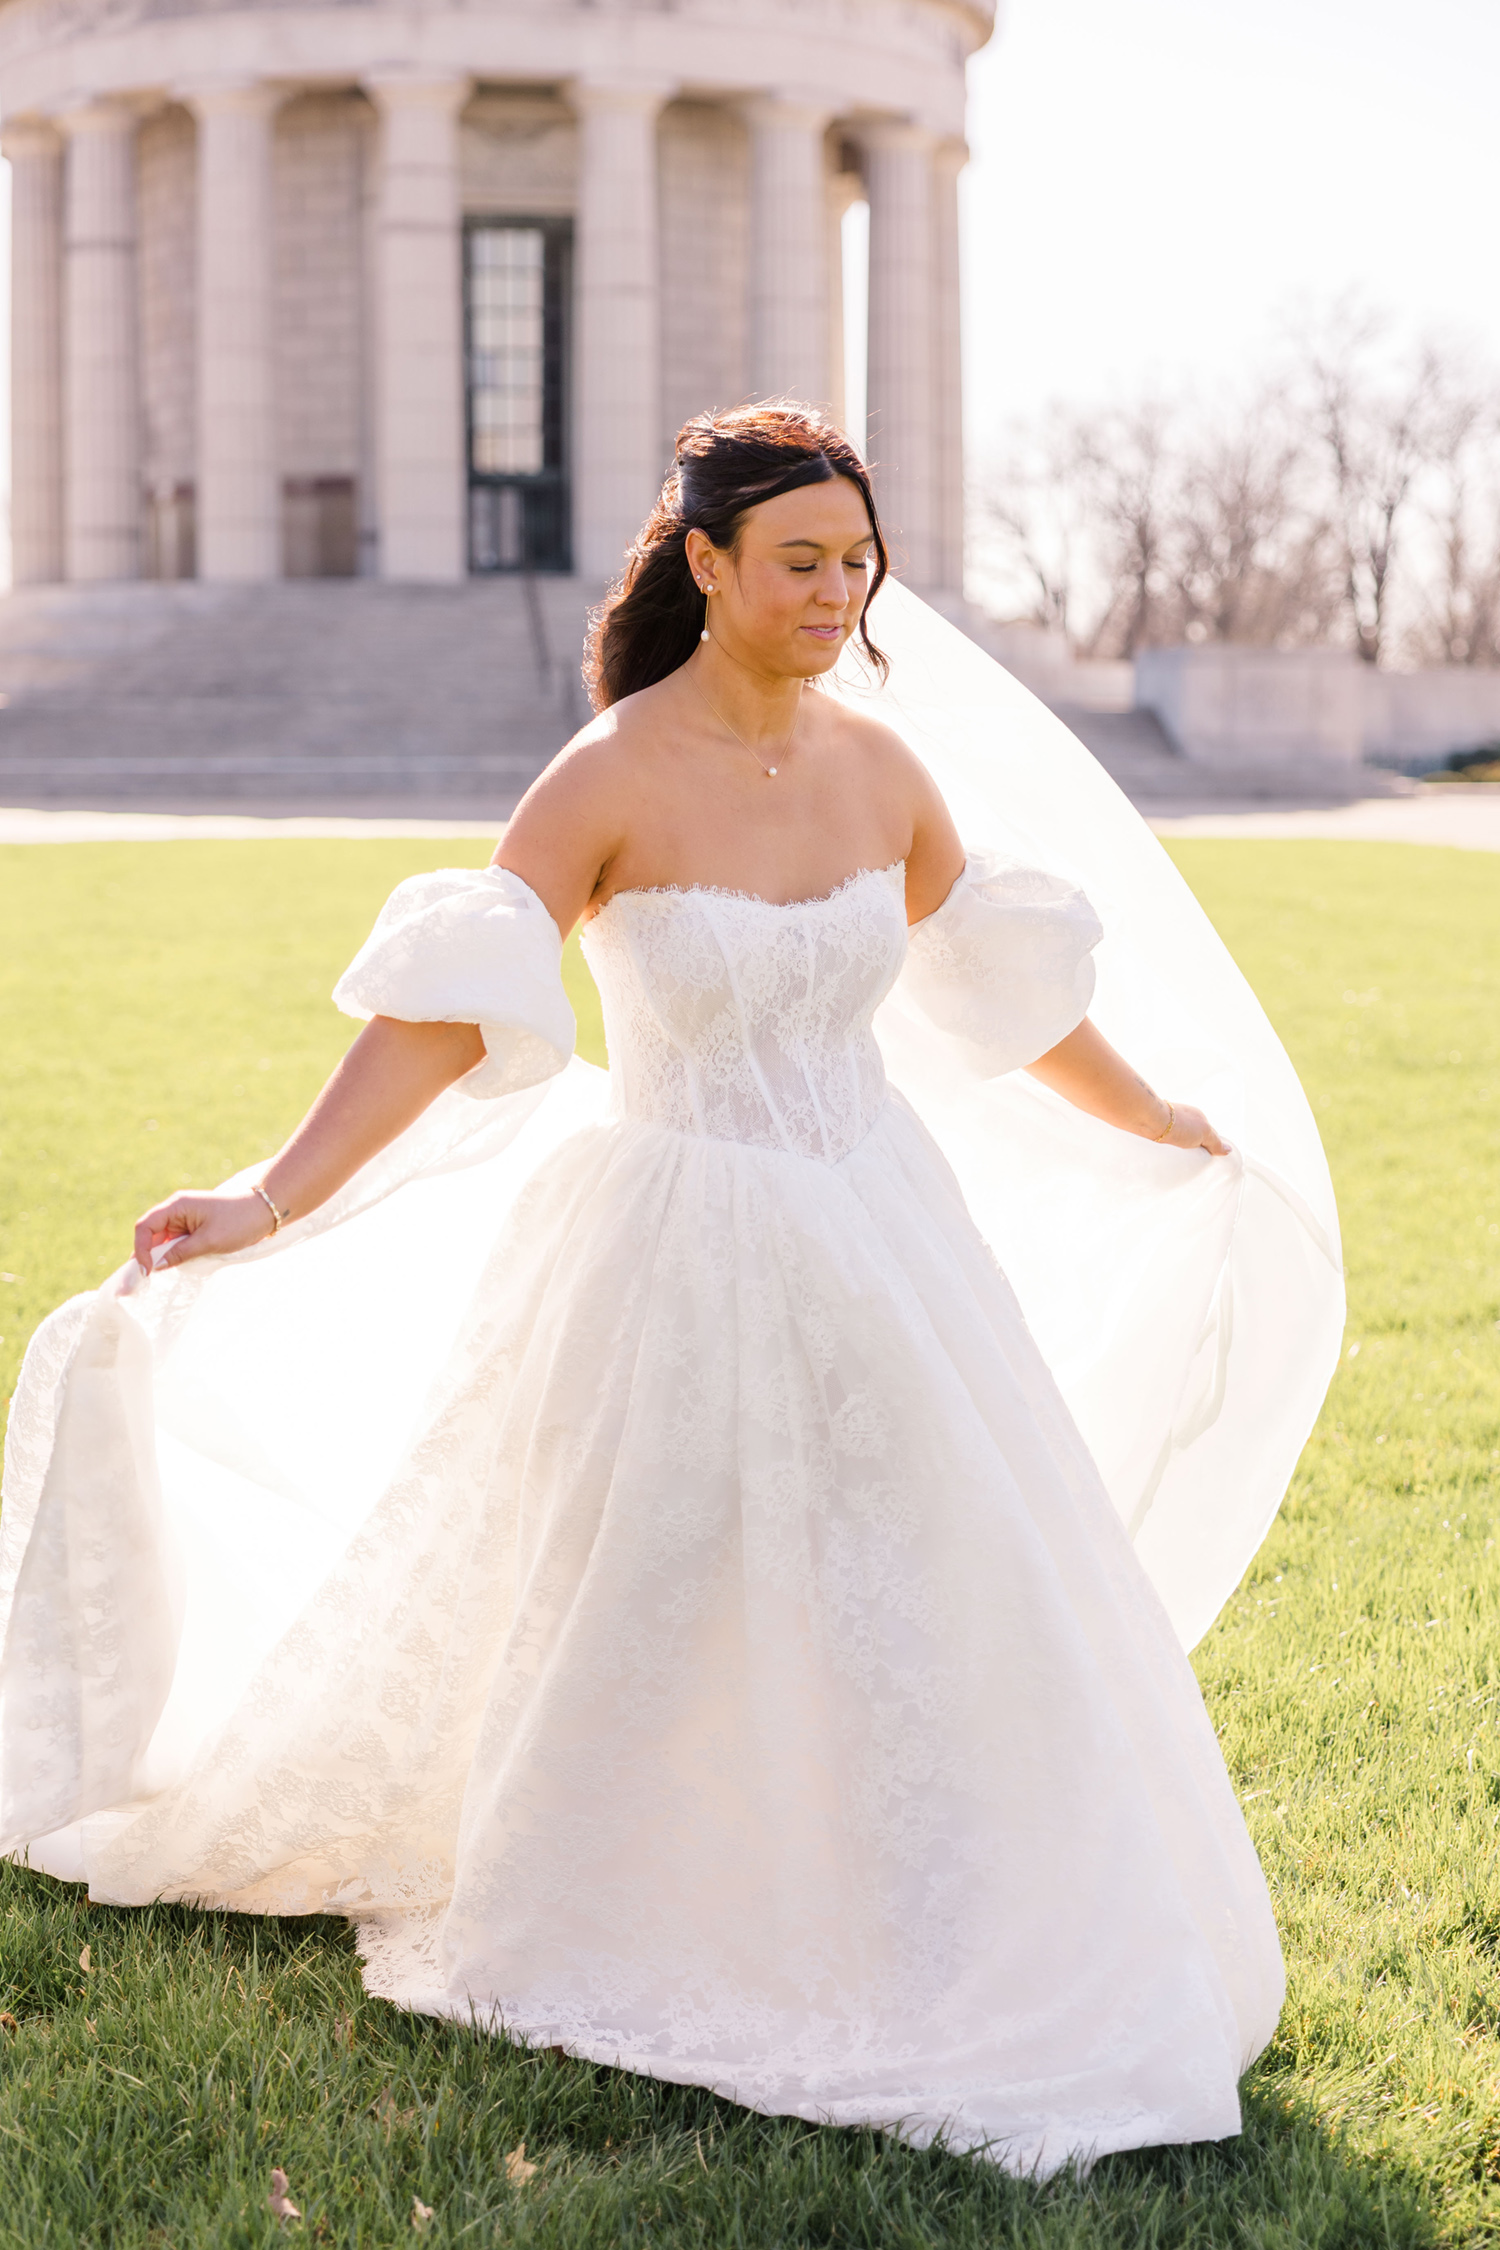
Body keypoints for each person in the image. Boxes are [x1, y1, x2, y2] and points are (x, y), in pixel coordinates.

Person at [0, 404, 1335, 2178]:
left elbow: (1014, 1006)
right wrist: (267, 1191)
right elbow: (449, 1006)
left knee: (925, 1560)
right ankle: (651, 1879)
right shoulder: (608, 774)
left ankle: (929, 1896)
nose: (834, 592)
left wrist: (1163, 1117)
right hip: (672, 1236)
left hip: (879, 1231)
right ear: (703, 562)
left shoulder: (886, 775)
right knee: (655, 1571)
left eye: (856, 563)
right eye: (799, 561)